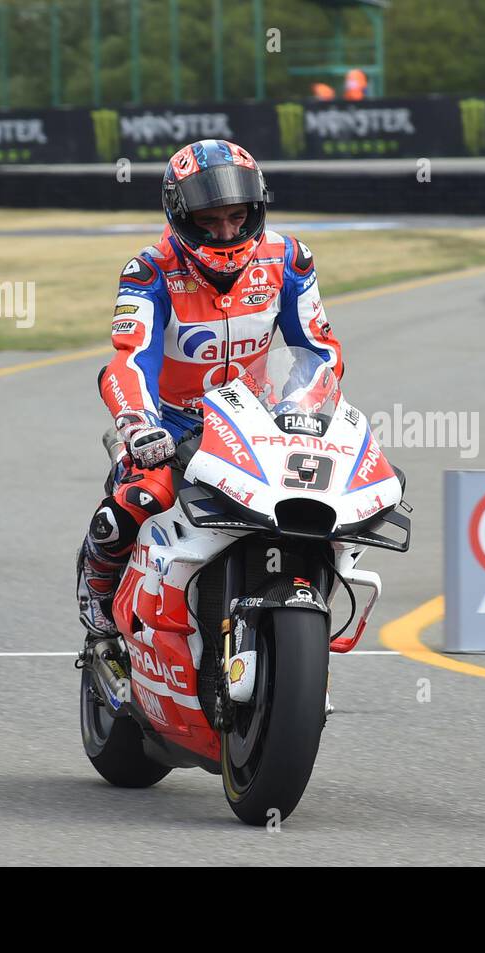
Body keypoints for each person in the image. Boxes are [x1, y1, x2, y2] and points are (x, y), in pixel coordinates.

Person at [77, 138, 343, 639]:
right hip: (172, 425)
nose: (226, 232)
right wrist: (137, 423)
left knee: (318, 508)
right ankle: (97, 587)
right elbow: (128, 359)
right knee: (136, 500)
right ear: (181, 216)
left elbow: (320, 350)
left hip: (258, 421)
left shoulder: (290, 260)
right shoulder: (148, 271)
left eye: (237, 217)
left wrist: (303, 405)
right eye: (209, 220)